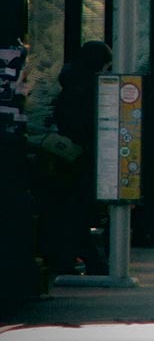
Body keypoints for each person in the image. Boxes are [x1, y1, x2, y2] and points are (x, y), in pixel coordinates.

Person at [48, 40, 113, 274]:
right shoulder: (89, 90)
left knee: (68, 210)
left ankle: (67, 259)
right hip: (82, 157)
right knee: (78, 213)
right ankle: (93, 262)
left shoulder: (69, 82)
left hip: (65, 157)